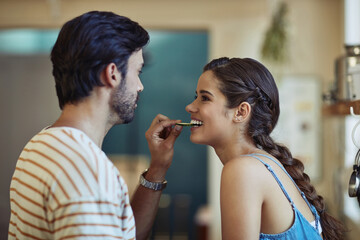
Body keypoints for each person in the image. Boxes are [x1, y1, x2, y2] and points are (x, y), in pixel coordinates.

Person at [8, 11, 183, 240]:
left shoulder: (39, 145)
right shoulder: (88, 170)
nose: (140, 86)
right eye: (137, 72)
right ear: (111, 74)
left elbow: (122, 234)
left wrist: (157, 168)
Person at [185, 57, 346, 239]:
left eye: (204, 98)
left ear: (241, 112)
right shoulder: (263, 163)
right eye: (195, 97)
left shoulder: (243, 170)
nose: (190, 107)